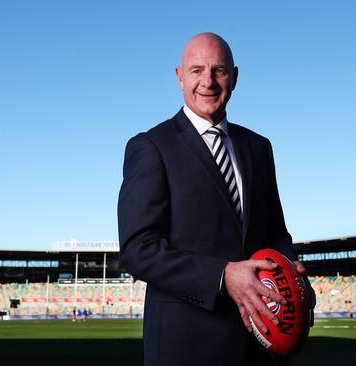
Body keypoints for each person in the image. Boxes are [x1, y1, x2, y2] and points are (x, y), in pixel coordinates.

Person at [118, 33, 315, 365]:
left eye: (218, 70)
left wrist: (293, 275)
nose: (207, 82)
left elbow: (276, 232)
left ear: (234, 77)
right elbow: (139, 250)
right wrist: (222, 275)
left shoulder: (258, 147)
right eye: (196, 71)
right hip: (187, 345)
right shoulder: (151, 146)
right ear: (179, 77)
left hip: (259, 341)